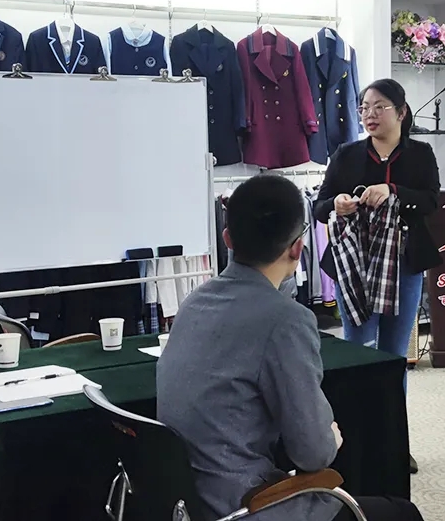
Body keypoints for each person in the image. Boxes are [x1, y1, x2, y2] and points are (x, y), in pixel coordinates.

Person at [158, 174, 423, 521]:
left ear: (228, 239)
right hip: (246, 504)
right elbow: (314, 454)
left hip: (187, 501)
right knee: (403, 513)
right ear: (298, 248)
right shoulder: (285, 320)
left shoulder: (194, 302)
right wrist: (328, 437)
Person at [315, 78, 441, 474]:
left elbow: (432, 201)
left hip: (403, 263)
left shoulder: (420, 154)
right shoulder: (347, 154)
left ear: (401, 112)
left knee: (392, 357)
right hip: (355, 263)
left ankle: (393, 444)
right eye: (364, 108)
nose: (369, 115)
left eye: (379, 106)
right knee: (358, 353)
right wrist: (336, 203)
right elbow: (319, 206)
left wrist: (393, 190)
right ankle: (355, 443)